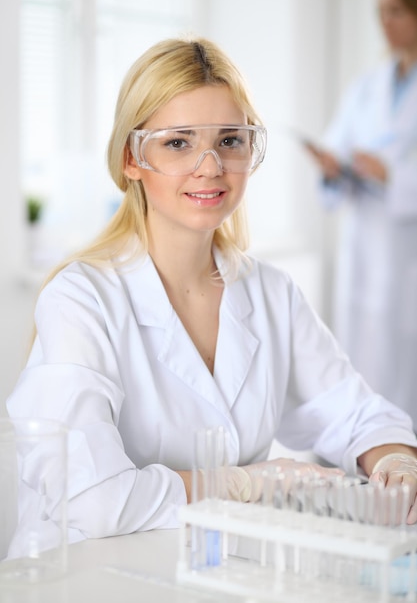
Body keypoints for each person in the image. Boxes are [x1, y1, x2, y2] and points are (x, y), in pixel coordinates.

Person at [6, 36, 417, 547]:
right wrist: (245, 484)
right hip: (82, 580)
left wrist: (397, 460)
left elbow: (356, 414)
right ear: (132, 160)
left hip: (212, 574)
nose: (210, 166)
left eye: (229, 140)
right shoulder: (81, 298)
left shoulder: (270, 292)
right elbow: (89, 498)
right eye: (178, 142)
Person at [305, 0, 417, 430]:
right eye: (381, 12)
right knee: (363, 361)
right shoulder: (365, 86)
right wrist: (334, 167)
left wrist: (393, 175)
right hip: (365, 246)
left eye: (396, 11)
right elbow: (339, 142)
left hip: (407, 253)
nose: (385, 23)